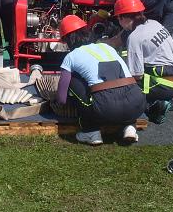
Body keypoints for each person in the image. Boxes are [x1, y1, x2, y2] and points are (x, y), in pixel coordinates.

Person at [57, 15, 145, 145]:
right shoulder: (107, 47)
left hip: (106, 109)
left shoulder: (71, 56)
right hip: (137, 104)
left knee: (73, 80)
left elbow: (62, 98)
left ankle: (90, 131)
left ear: (66, 40)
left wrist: (58, 102)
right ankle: (129, 126)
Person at [114, 0, 173, 124]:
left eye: (118, 19)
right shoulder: (154, 24)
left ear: (123, 17)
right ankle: (171, 99)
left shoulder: (135, 37)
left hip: (164, 83)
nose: (119, 23)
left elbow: (136, 75)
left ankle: (153, 107)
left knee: (124, 88)